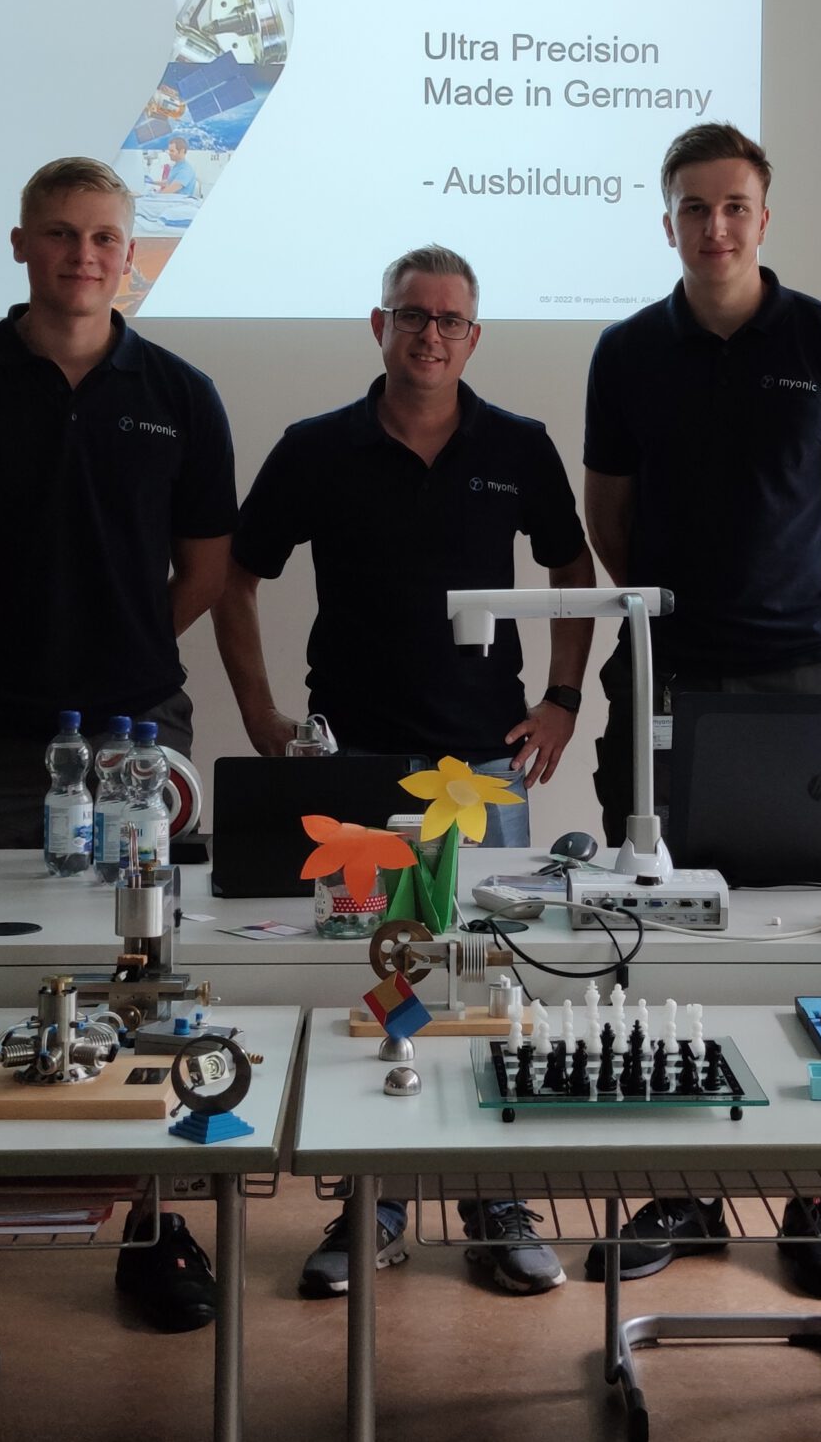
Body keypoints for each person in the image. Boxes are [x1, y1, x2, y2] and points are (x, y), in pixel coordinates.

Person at [213, 244, 594, 1299]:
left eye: (450, 319)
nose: (431, 334)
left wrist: (563, 696)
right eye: (412, 315)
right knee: (374, 983)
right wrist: (259, 713)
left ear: (475, 336)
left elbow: (573, 567)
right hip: (357, 769)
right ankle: (368, 1198)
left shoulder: (517, 445)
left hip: (483, 766)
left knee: (488, 980)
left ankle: (492, 1197)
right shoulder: (316, 447)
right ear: (379, 326)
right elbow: (236, 576)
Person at [580, 122, 821, 1301]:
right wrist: (680, 632)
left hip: (802, 688)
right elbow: (609, 521)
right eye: (693, 207)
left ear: (763, 218)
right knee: (661, 932)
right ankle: (685, 1182)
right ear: (666, 219)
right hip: (667, 680)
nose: (713, 227)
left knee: (808, 932)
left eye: (733, 207)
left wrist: (817, 627)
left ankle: (812, 1190)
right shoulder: (628, 352)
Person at [0, 156, 236, 875]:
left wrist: (121, 643)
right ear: (20, 244)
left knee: (135, 926)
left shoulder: (184, 395)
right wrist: (5, 647)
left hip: (137, 731)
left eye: (105, 238)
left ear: (129, 256)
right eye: (60, 233)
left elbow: (205, 573)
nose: (83, 255)